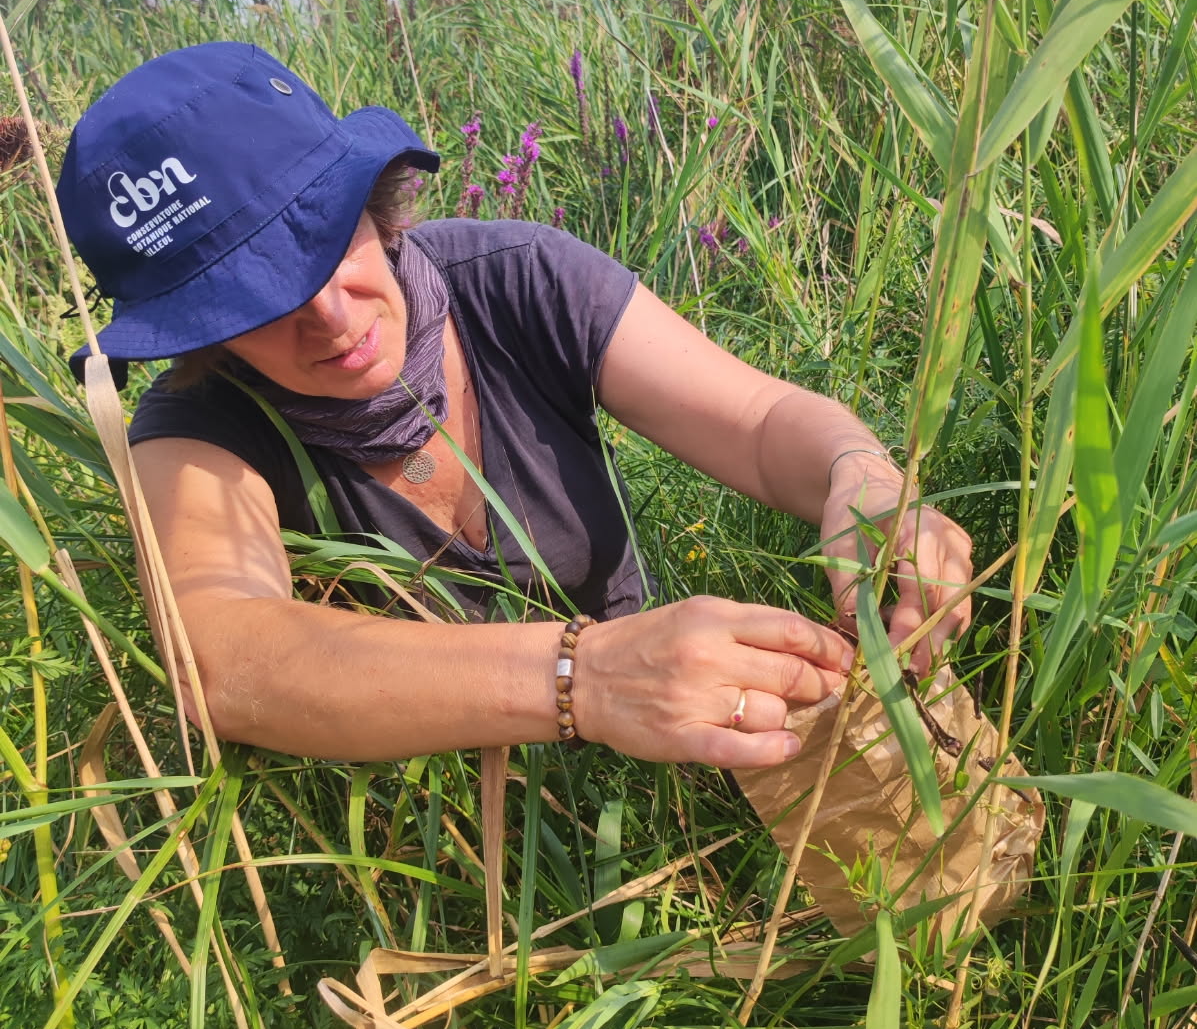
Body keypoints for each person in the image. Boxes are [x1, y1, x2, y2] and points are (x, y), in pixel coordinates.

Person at [57, 41, 974, 770]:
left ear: (370, 204)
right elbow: (228, 659)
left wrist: (860, 476)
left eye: (321, 240)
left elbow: (762, 423)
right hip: (433, 860)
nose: (330, 317)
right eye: (252, 302)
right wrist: (588, 675)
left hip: (661, 771)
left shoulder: (518, 278)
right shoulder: (198, 429)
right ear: (201, 334)